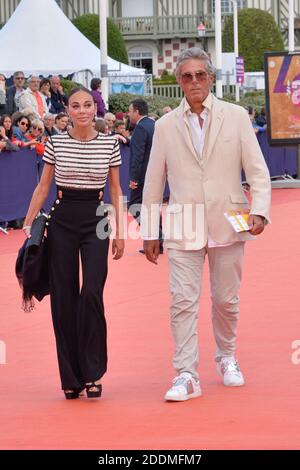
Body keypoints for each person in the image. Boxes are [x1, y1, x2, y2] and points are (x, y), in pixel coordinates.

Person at [141, 47, 271, 401]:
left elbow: (258, 171)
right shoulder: (165, 126)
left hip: (229, 221)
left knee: (226, 300)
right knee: (182, 301)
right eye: (187, 76)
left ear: (211, 78)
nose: (194, 81)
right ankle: (186, 373)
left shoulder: (237, 116)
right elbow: (154, 182)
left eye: (200, 74)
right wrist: (150, 232)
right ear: (179, 81)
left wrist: (259, 210)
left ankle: (227, 356)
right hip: (184, 223)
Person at [23, 86, 124, 400]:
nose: (82, 111)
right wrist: (28, 224)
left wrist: (119, 231)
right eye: (75, 106)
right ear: (67, 110)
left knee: (92, 292)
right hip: (62, 218)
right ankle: (71, 377)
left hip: (97, 218)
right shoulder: (56, 143)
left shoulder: (110, 144)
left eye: (87, 106)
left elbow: (116, 191)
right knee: (64, 297)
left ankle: (93, 371)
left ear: (95, 109)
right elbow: (43, 186)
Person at [128, 98, 163, 254]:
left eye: (130, 111)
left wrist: (134, 178)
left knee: (134, 206)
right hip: (156, 173)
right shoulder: (153, 125)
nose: (128, 115)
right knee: (152, 207)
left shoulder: (141, 128)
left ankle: (156, 236)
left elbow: (138, 155)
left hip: (142, 176)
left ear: (136, 111)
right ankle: (159, 240)